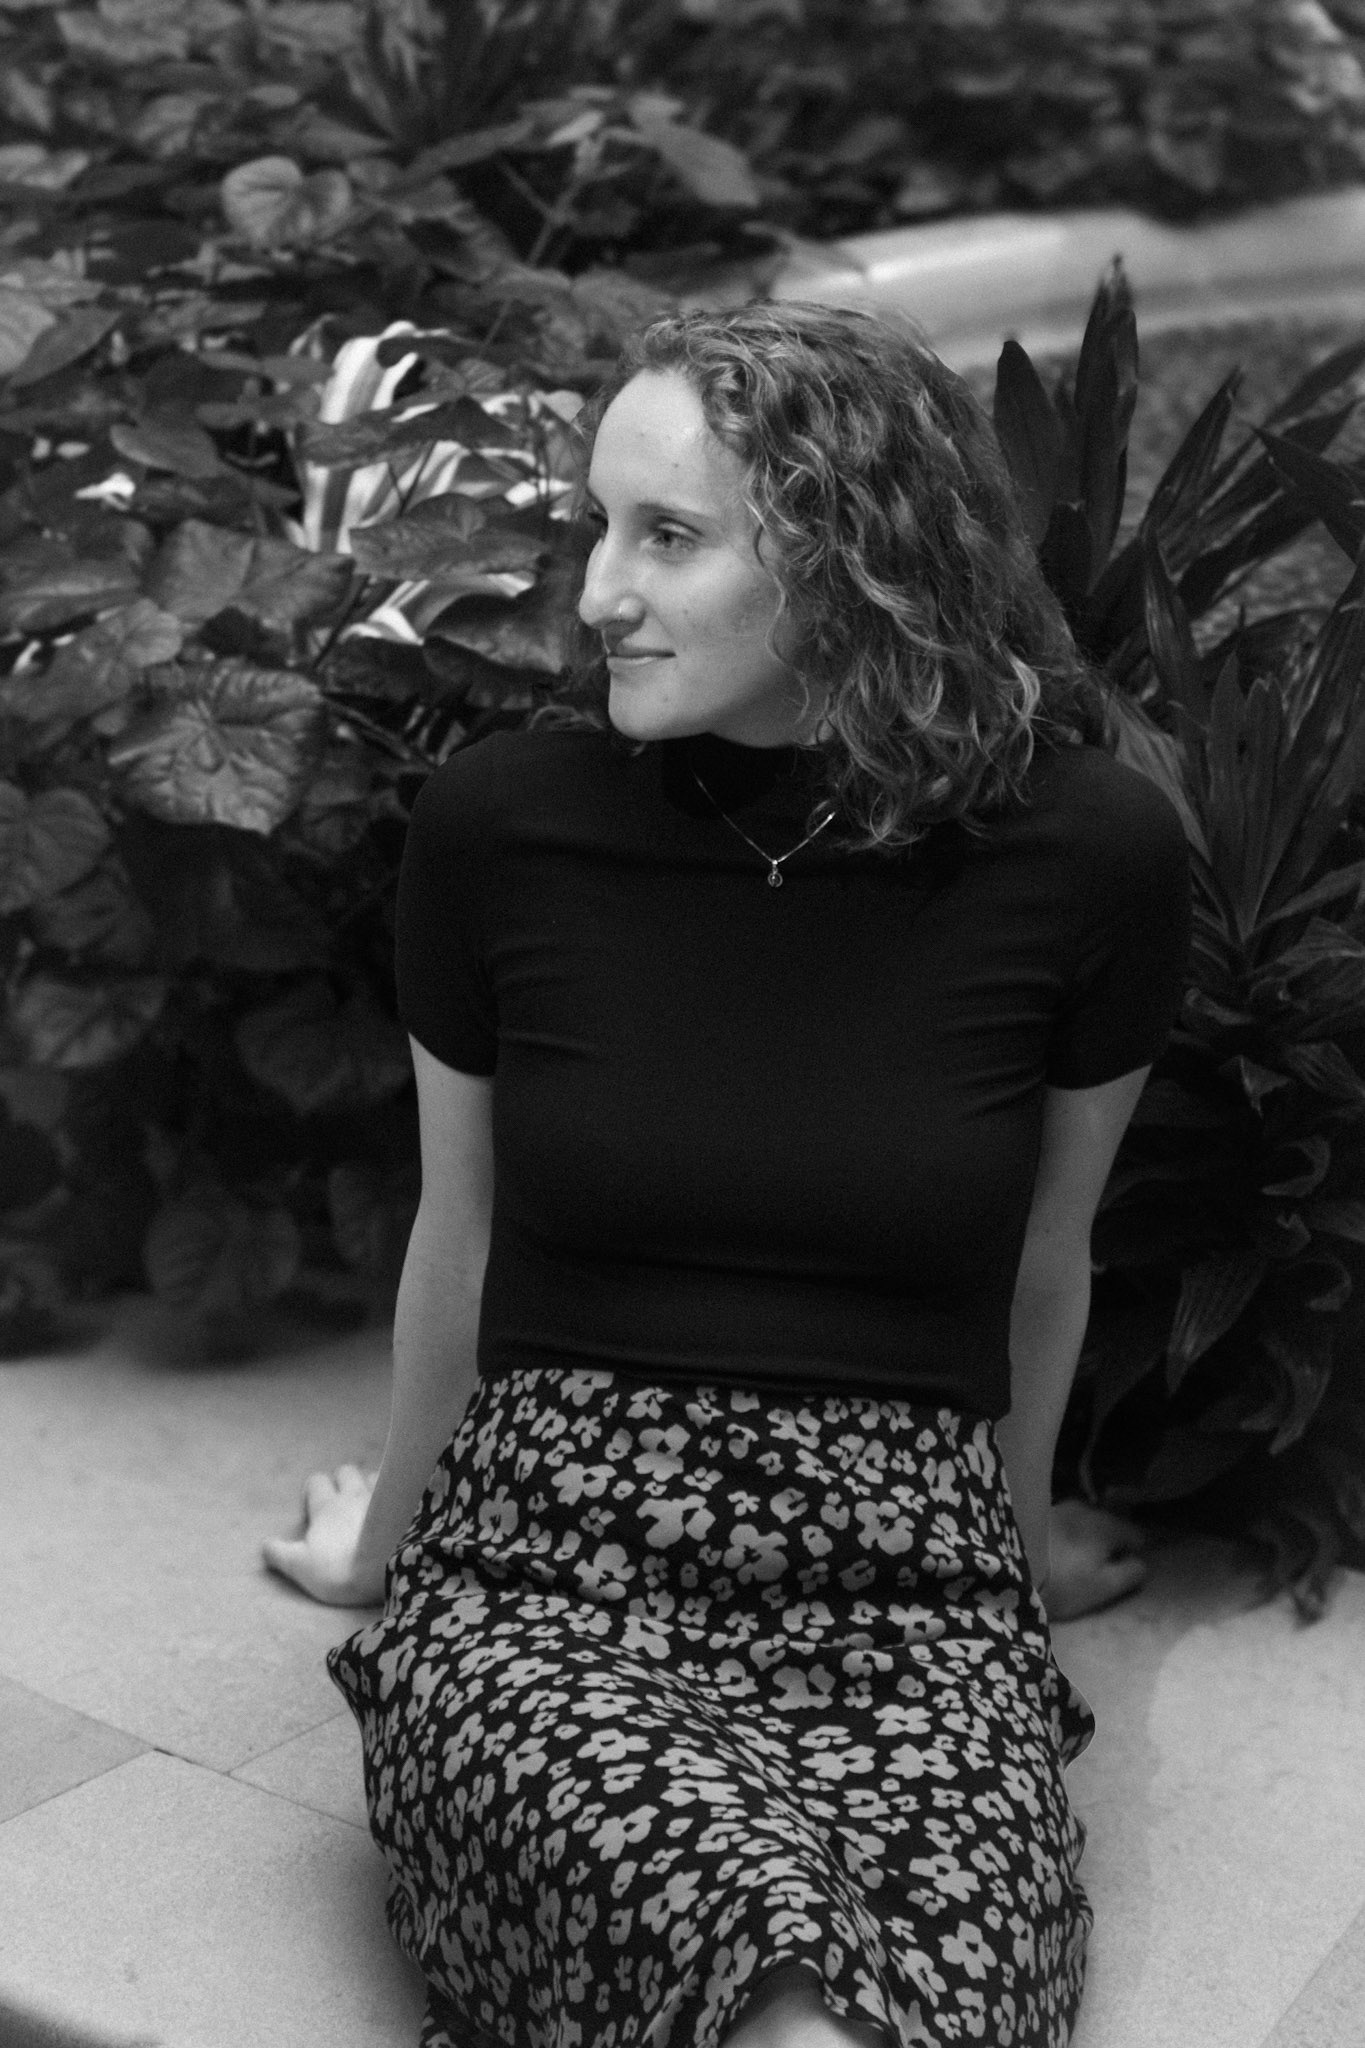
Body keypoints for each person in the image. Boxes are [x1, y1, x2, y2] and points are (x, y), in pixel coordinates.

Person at [264, 302, 1191, 2048]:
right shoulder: (502, 827)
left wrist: (1010, 1566)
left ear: (858, 559)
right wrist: (382, 1550)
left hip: (904, 1581)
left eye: (667, 537)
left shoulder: (1090, 855)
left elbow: (1042, 1264)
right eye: (596, 527)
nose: (595, 593)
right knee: (757, 1971)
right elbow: (460, 1231)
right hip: (548, 1565)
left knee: (949, 1994)